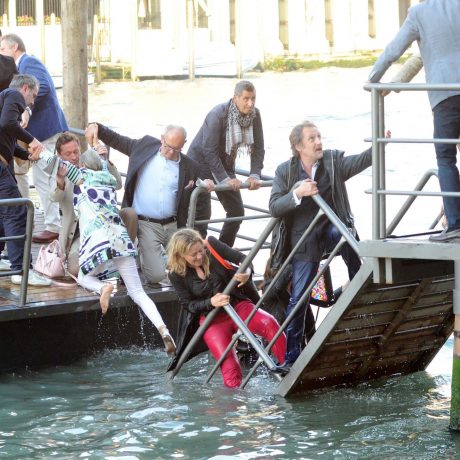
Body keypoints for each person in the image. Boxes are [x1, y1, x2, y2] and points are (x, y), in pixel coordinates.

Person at [30, 147, 176, 355]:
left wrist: (40, 153)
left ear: (83, 165)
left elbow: (57, 162)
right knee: (138, 292)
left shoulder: (81, 175)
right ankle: (164, 330)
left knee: (83, 276)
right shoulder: (107, 179)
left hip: (98, 239)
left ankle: (102, 289)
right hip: (120, 237)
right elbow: (108, 172)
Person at [269, 120, 371, 372]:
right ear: (298, 146)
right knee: (298, 298)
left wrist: (380, 143)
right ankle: (291, 357)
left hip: (330, 230)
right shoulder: (285, 171)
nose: (318, 142)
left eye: (319, 137)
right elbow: (274, 206)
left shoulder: (332, 162)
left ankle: (357, 276)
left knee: (342, 230)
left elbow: (360, 162)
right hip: (303, 240)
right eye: (312, 139)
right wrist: (298, 193)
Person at [367, 0, 460, 242]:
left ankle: (456, 224)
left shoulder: (419, 12)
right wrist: (396, 84)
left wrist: (373, 79)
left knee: (445, 157)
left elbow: (394, 50)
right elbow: (418, 59)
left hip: (445, 96)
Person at [85, 122, 207, 285]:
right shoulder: (144, 146)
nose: (170, 153)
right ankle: (148, 256)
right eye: (167, 146)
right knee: (156, 276)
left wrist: (206, 186)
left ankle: (155, 257)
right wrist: (97, 127)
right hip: (146, 224)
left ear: (184, 145)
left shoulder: (190, 166)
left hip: (174, 225)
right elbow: (117, 140)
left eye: (176, 149)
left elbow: (202, 204)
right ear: (162, 138)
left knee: (192, 267)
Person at [166, 228, 286, 388]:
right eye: (193, 255)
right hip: (212, 320)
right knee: (229, 368)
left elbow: (244, 259)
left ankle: (290, 367)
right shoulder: (175, 274)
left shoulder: (212, 244)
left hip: (236, 305)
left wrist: (247, 272)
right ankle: (234, 406)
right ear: (180, 255)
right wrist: (211, 302)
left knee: (270, 324)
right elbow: (188, 304)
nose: (200, 256)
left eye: (201, 250)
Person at [0, 33, 68, 244]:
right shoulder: (17, 71)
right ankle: (35, 221)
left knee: (43, 178)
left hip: (44, 131)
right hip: (29, 135)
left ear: (14, 48)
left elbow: (44, 87)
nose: (1, 54)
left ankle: (52, 226)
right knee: (31, 175)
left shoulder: (30, 62)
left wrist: (27, 109)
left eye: (3, 49)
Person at [187, 80, 265, 246]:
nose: (250, 103)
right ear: (235, 98)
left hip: (225, 164)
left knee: (237, 212)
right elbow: (209, 150)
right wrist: (225, 179)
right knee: (202, 216)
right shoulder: (217, 114)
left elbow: (258, 149)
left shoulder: (255, 115)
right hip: (200, 164)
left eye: (253, 98)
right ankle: (197, 259)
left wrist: (254, 174)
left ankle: (220, 252)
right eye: (246, 98)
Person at [48, 132, 122, 277]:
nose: (74, 157)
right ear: (59, 156)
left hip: (102, 224)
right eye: (68, 154)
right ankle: (106, 266)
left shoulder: (92, 163)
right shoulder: (58, 172)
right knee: (74, 270)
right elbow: (54, 198)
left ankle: (111, 264)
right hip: (77, 232)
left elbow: (118, 184)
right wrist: (61, 181)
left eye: (76, 151)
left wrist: (106, 161)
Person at [0, 74, 50, 286]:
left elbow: (8, 139)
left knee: (4, 210)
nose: (32, 102)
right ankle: (20, 270)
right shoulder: (13, 93)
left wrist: (27, 155)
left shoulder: (5, 98)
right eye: (34, 96)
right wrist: (33, 140)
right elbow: (8, 123)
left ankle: (6, 259)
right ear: (26, 88)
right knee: (18, 211)